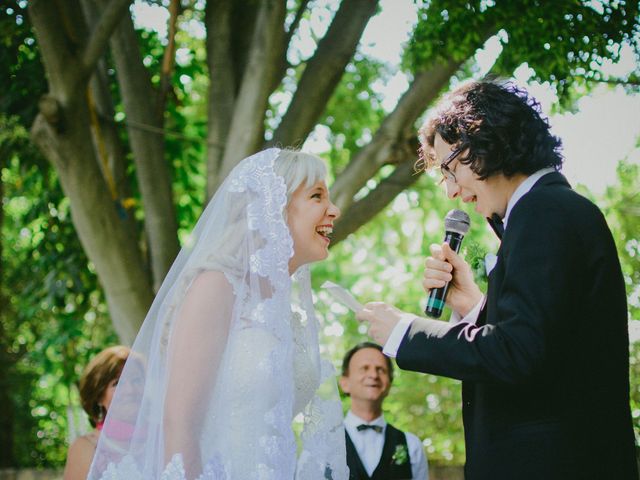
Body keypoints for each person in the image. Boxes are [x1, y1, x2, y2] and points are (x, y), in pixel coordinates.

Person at [356, 80, 638, 479]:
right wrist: (472, 305)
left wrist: (404, 332)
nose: (452, 191)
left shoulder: (545, 212)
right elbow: (544, 344)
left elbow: (516, 353)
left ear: (480, 142)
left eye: (449, 170)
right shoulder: (546, 210)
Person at [88, 148, 349, 479]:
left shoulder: (284, 309)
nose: (335, 210)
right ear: (273, 209)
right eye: (317, 196)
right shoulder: (217, 286)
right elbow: (179, 423)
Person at [340, 342, 428, 480]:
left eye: (381, 369)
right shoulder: (321, 444)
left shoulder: (411, 445)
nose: (374, 375)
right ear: (344, 383)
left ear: (389, 384)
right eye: (364, 368)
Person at [63, 345, 130, 480]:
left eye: (136, 380)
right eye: (117, 383)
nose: (130, 389)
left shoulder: (162, 438)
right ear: (99, 396)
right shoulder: (86, 447)